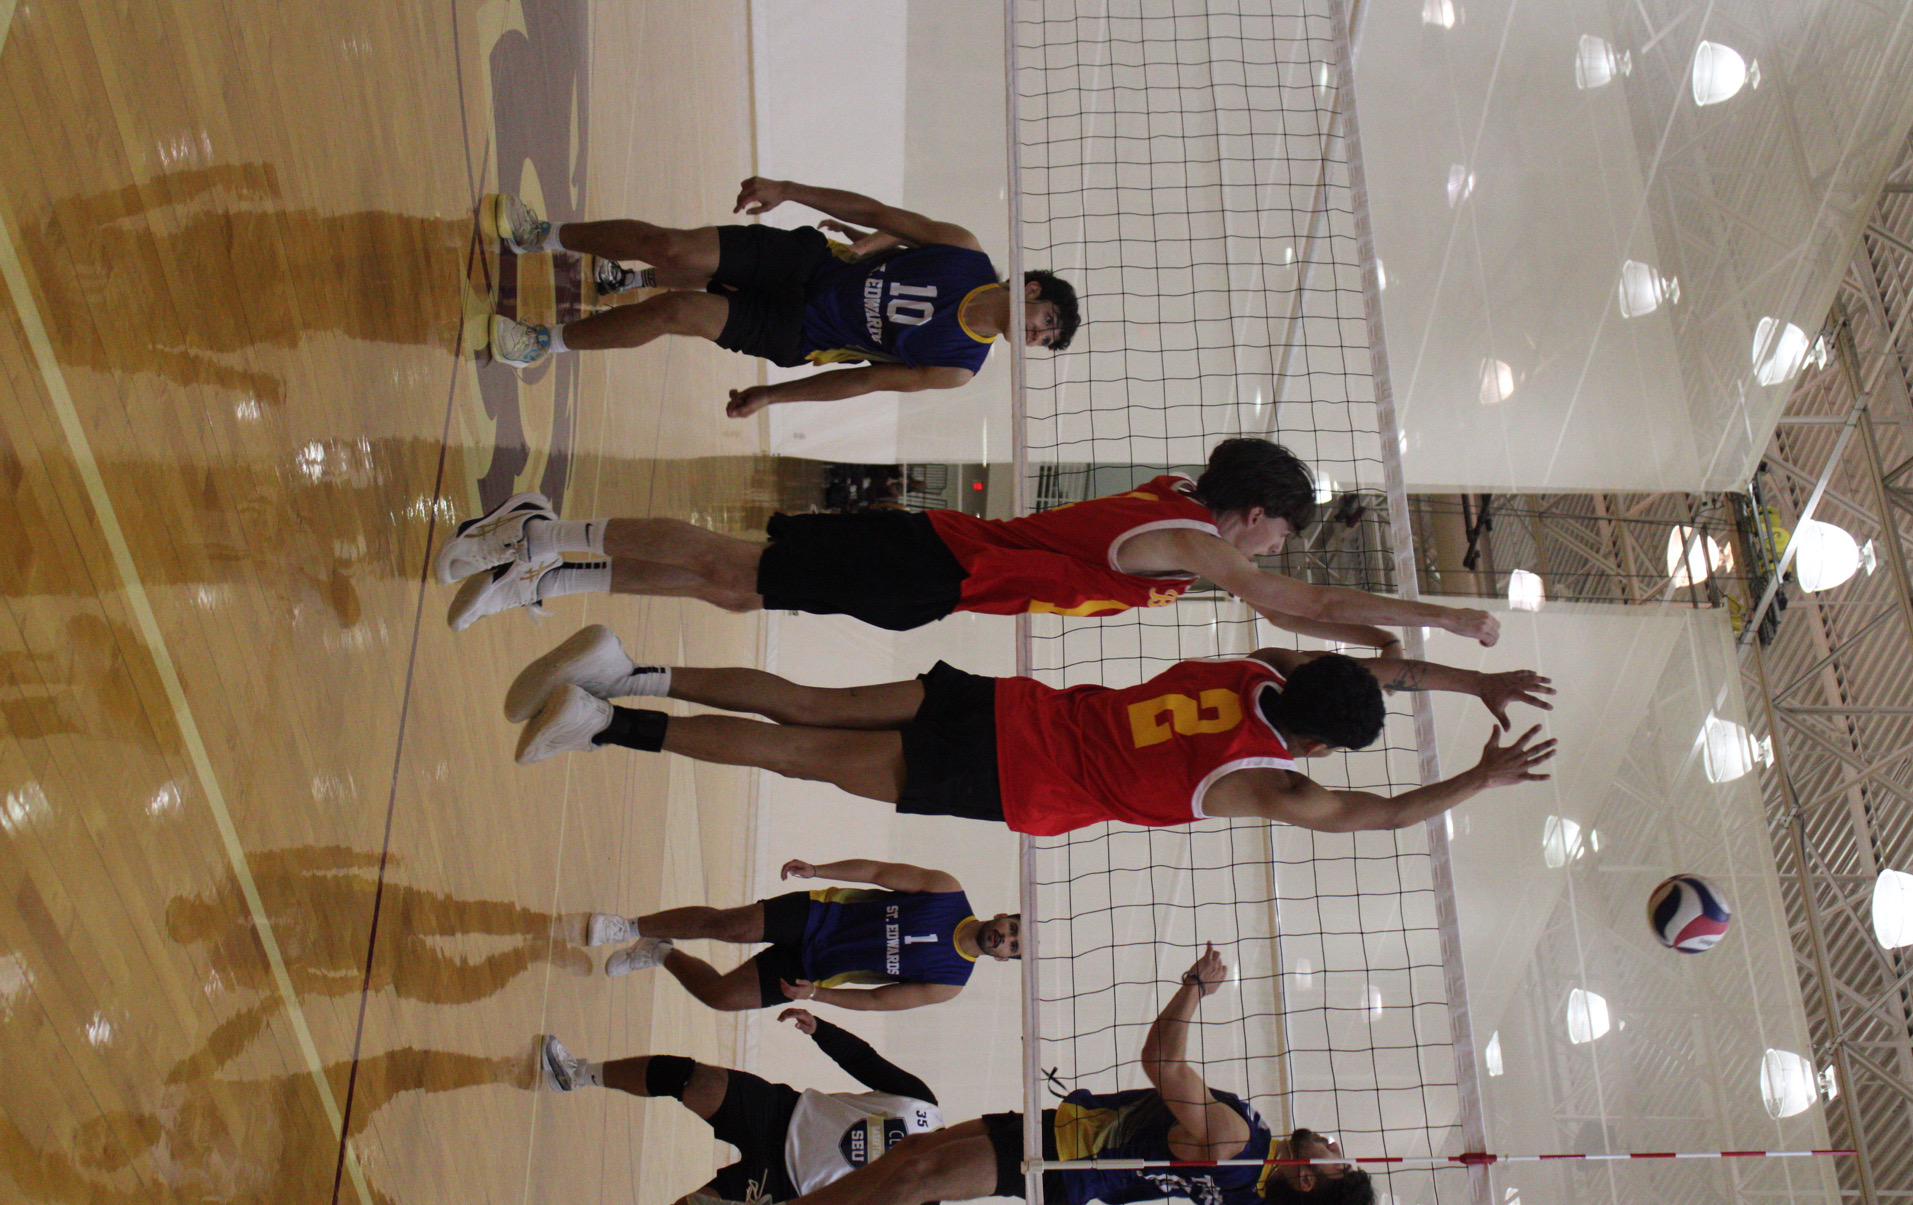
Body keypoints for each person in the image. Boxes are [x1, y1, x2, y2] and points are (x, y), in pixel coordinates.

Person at [690, 946, 1420, 1205]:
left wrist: (1195, 987)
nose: (1334, 1144)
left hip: (1067, 1160)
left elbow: (1160, 1063)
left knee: (916, 1181)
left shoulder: (1240, 1145)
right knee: (911, 1157)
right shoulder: (1260, 1194)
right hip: (1064, 1139)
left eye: (1337, 1158)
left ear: (1305, 1175)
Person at [502, 623, 1555, 837]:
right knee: (793, 754)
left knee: (805, 701)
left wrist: (1471, 678)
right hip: (1013, 776)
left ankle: (624, 667)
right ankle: (603, 722)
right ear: (1317, 748)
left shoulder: (1261, 666)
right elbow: (1381, 815)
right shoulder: (1277, 781)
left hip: (1007, 704)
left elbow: (1369, 669)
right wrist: (1480, 777)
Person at [434, 438, 1503, 644]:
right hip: (934, 557)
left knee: (731, 591)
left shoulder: (1188, 521)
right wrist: (1438, 619)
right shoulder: (1188, 535)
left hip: (942, 584)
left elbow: (1297, 612)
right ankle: (544, 531)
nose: (1271, 554)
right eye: (1277, 535)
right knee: (727, 562)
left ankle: (552, 579)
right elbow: (1296, 604)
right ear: (1254, 514)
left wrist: (1376, 640)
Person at [484, 178, 1079, 411]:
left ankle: (540, 343)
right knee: (670, 247)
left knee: (675, 310)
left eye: (1044, 341)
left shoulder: (958, 367)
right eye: (1046, 320)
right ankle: (542, 235)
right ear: (1030, 289)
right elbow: (877, 214)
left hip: (801, 333)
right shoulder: (964, 251)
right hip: (810, 263)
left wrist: (772, 395)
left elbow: (861, 382)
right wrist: (789, 189)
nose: (1037, 335)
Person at [523, 1009, 943, 1205]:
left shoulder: (921, 1204)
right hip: (781, 1113)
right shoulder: (922, 1104)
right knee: (694, 1079)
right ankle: (576, 1074)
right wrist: (823, 1031)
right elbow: (866, 1062)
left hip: (784, 1192)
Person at [579, 853, 1018, 1012]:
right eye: (1012, 928)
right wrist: (818, 870)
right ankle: (625, 926)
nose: (1006, 938)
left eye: (1013, 947)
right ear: (1002, 915)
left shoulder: (949, 983)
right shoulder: (946, 890)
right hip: (818, 915)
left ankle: (658, 952)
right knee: (729, 926)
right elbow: (878, 872)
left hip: (815, 968)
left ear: (1004, 960)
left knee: (721, 997)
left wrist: (816, 996)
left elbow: (876, 1000)